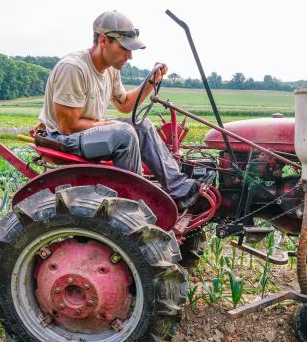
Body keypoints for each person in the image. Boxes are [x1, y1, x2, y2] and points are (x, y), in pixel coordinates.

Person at [37, 10, 201, 209]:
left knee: (142, 125)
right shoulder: (74, 68)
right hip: (59, 139)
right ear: (103, 40)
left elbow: (124, 105)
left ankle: (179, 189)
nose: (130, 56)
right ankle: (135, 204)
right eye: (125, 48)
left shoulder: (111, 69)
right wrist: (109, 124)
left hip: (82, 132)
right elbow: (67, 126)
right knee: (125, 134)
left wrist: (150, 82)